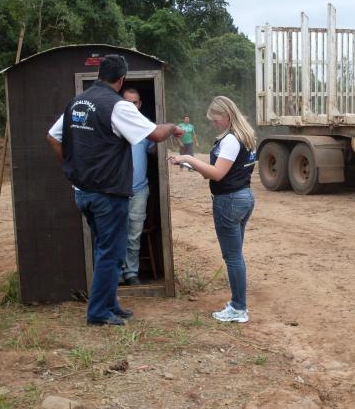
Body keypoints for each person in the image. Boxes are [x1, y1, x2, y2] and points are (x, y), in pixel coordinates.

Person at [46, 54, 182, 326]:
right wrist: (173, 128)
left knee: (106, 250)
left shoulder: (77, 102)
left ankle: (110, 304)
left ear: (100, 75)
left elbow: (52, 136)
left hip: (83, 192)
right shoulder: (117, 106)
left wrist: (71, 166)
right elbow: (155, 134)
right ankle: (98, 313)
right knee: (111, 252)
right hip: (108, 194)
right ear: (120, 80)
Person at [169, 96, 256, 323]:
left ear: (227, 115)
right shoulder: (245, 137)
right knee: (236, 255)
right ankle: (238, 304)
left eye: (216, 119)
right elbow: (217, 171)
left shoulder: (230, 140)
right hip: (244, 196)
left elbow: (217, 174)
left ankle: (238, 308)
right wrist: (190, 164)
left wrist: (188, 157)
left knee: (233, 257)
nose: (213, 124)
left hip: (229, 200)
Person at [120, 88, 154, 286]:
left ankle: (131, 273)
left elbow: (154, 149)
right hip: (115, 191)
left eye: (135, 102)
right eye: (127, 102)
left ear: (139, 104)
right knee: (115, 234)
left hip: (139, 189)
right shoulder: (112, 124)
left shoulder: (146, 127)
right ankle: (116, 275)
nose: (131, 106)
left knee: (134, 235)